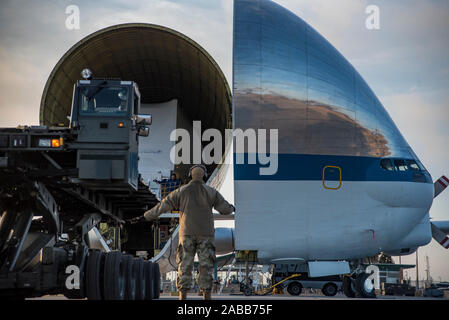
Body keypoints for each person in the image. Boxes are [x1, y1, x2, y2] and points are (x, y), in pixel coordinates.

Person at [129, 164, 235, 300]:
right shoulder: (211, 192)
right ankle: (206, 296)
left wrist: (144, 217)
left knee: (184, 266)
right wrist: (233, 208)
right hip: (205, 235)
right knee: (205, 267)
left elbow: (161, 207)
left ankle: (182, 296)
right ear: (204, 175)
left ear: (190, 175)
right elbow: (225, 209)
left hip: (186, 234)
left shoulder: (181, 191)